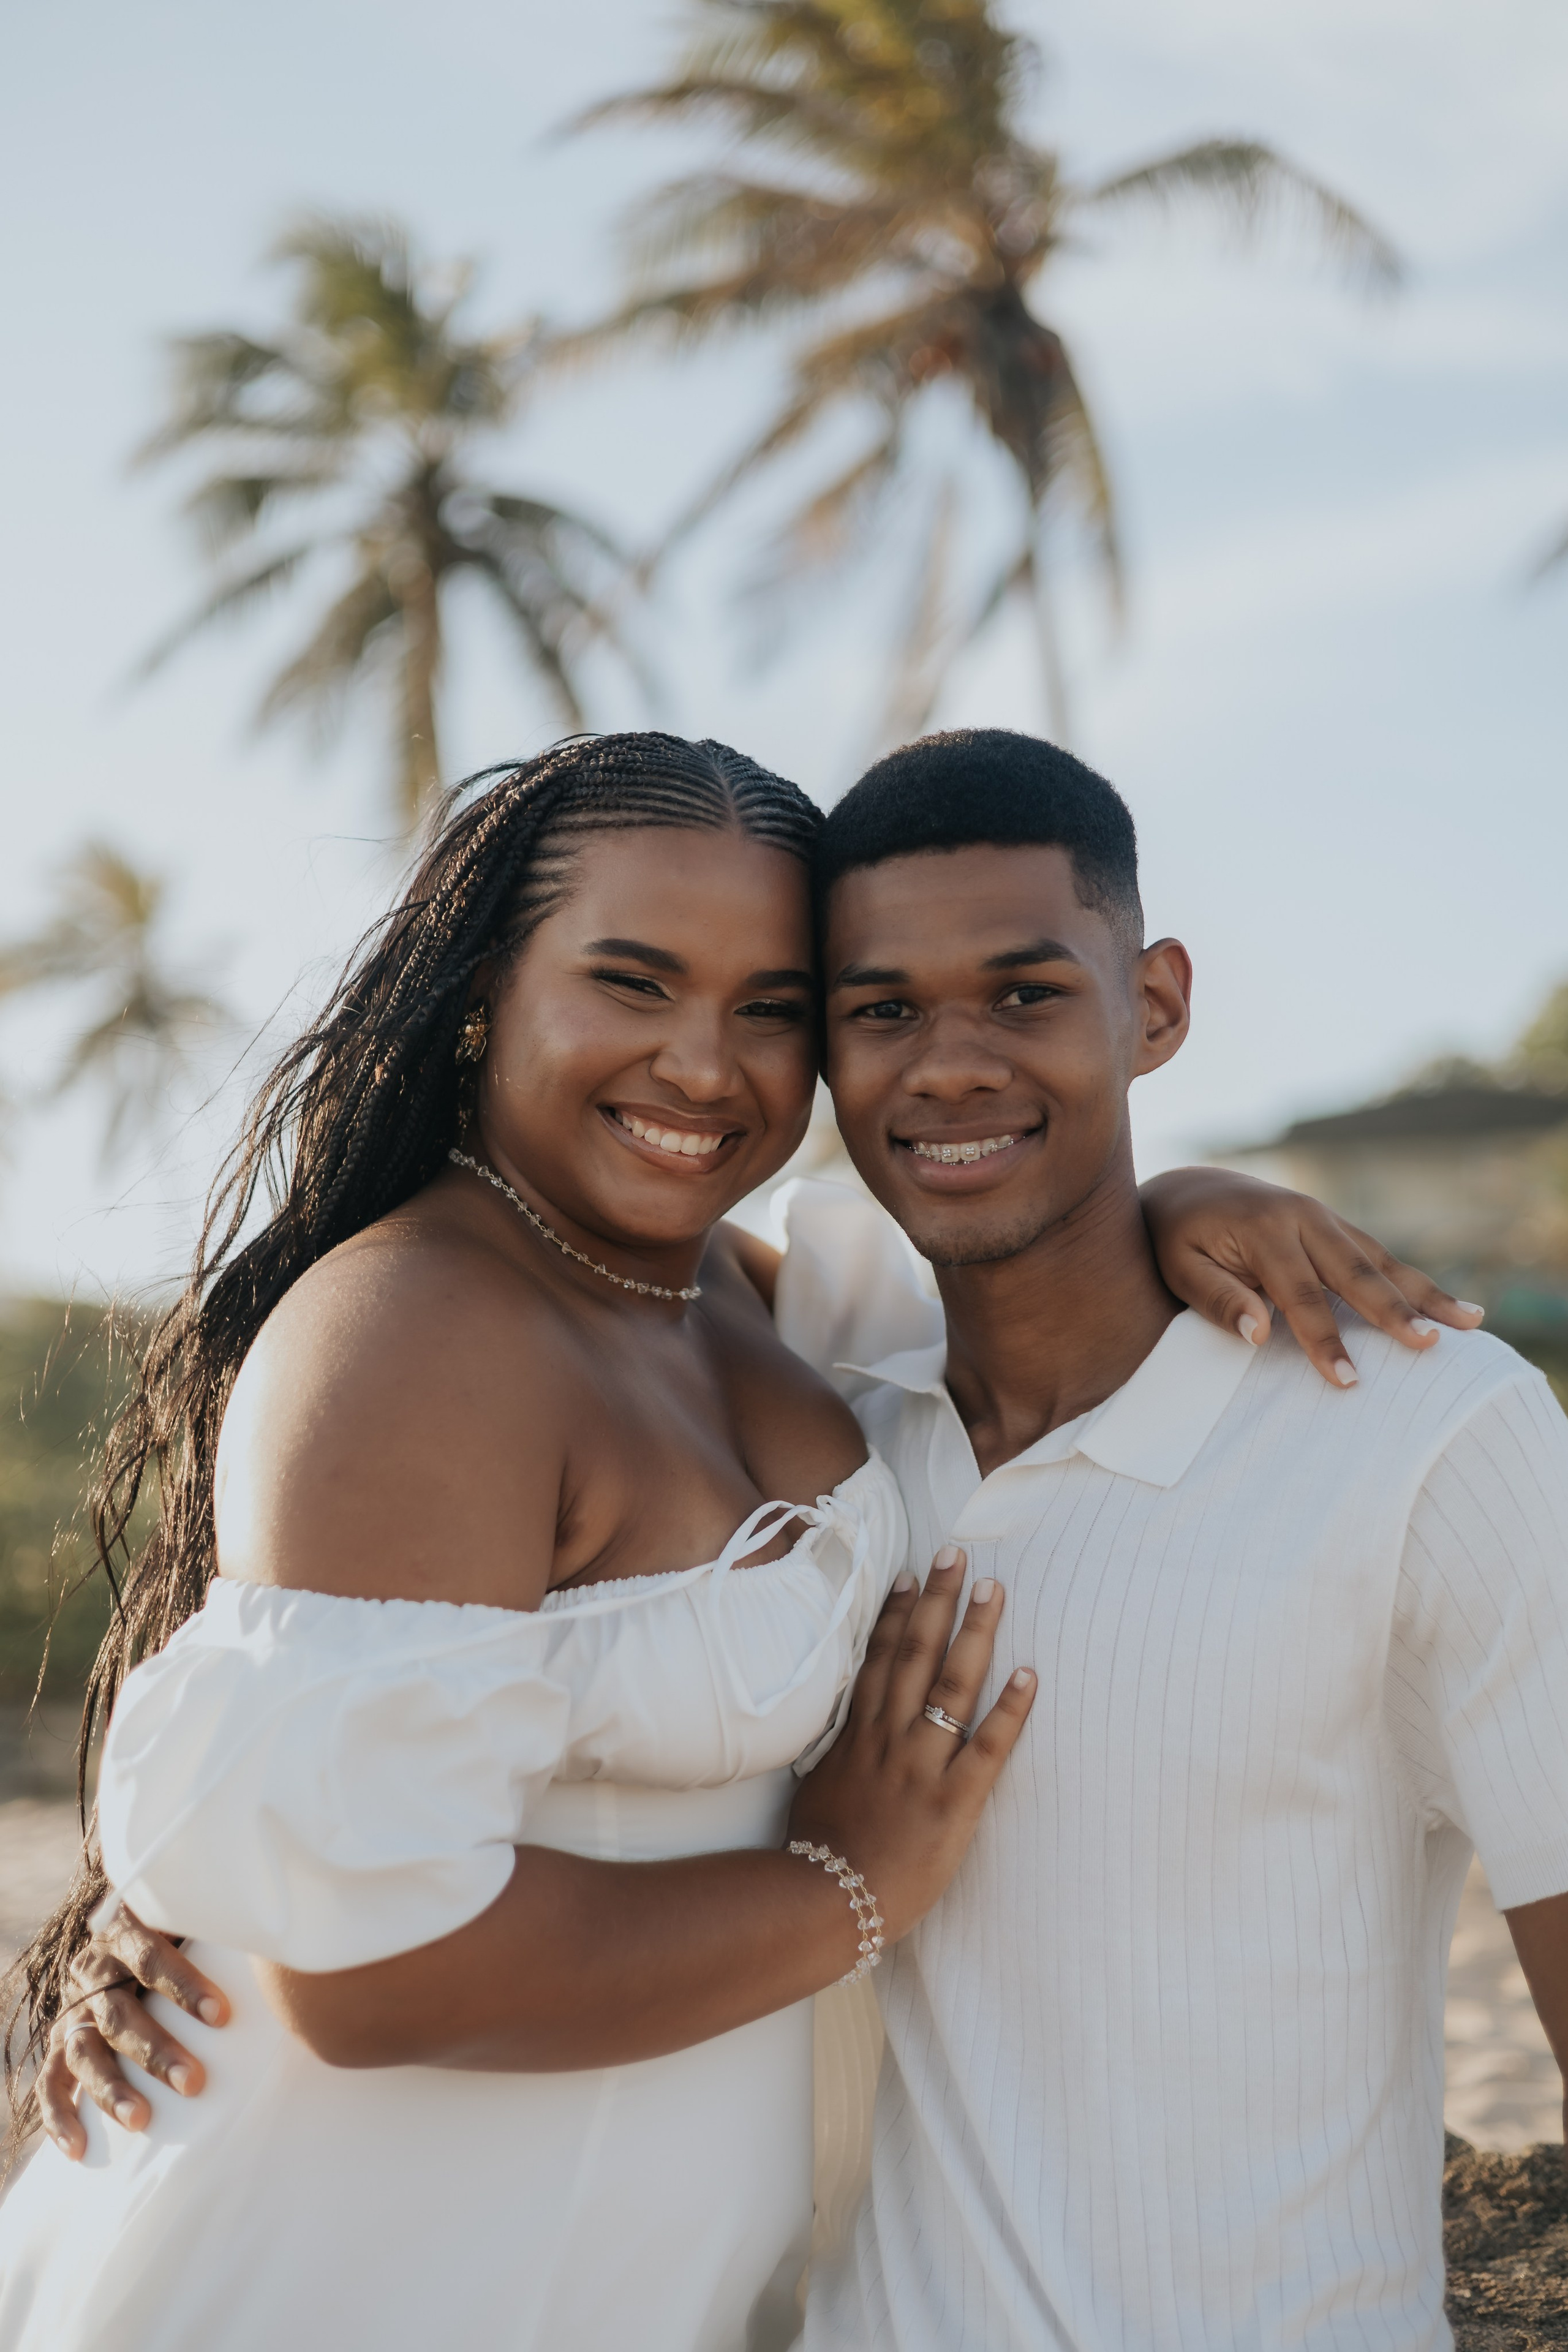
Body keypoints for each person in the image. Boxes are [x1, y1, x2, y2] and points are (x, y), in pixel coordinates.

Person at [6, 731, 1476, 2352]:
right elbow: (374, 1980)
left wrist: (1182, 1203)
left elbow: (1017, 1298)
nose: (706, 1068)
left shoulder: (738, 1295)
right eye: (631, 983)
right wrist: (851, 1884)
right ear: (487, 987)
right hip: (355, 2266)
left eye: (773, 1007)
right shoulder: (418, 1334)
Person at [769, 729, 1568, 2350]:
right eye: (884, 1011)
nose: (950, 1065)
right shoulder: (816, 1413)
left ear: (1156, 1007)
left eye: (1025, 993)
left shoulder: (1430, 1431)